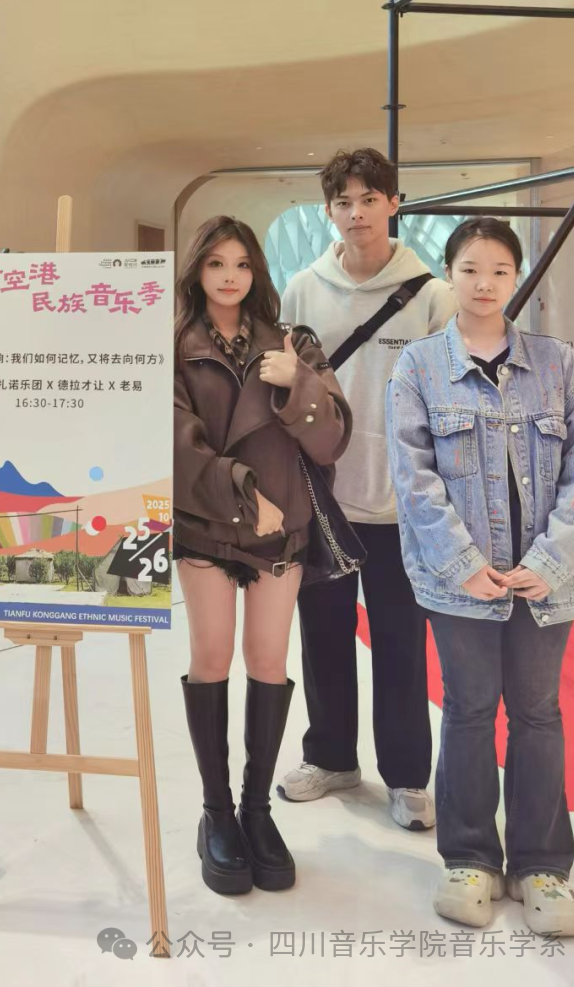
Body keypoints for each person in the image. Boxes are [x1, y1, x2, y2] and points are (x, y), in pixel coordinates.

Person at [387, 217, 574, 937]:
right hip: (461, 582)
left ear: (517, 275)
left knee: (538, 712)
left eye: (500, 270)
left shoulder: (557, 362)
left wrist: (551, 558)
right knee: (470, 709)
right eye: (470, 269)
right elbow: (413, 480)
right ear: (449, 274)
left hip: (545, 578)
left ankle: (542, 866)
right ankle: (470, 858)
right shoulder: (419, 366)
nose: (485, 283)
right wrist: (462, 564)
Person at [278, 148, 455, 830]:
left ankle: (407, 777)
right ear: (328, 210)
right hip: (322, 500)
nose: (357, 213)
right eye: (343, 201)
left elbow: (448, 399)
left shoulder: (431, 295)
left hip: (402, 504)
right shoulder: (302, 289)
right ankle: (330, 756)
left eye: (369, 199)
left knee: (402, 644)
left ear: (393, 203)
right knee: (322, 636)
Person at [174, 217, 351, 895]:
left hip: (282, 533)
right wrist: (243, 493)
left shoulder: (294, 342)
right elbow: (176, 442)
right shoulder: (177, 346)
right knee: (212, 657)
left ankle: (256, 809)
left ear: (257, 272)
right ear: (197, 270)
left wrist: (298, 381)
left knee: (269, 662)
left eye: (242, 264)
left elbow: (332, 438)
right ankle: (216, 812)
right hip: (209, 525)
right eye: (216, 263)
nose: (229, 276)